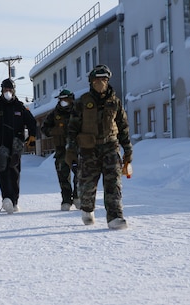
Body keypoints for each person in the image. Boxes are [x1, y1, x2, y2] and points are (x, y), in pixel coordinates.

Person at [65, 65, 133, 230]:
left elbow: (123, 128)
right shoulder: (82, 102)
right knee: (87, 186)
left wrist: (128, 150)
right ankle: (87, 209)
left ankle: (115, 217)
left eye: (103, 79)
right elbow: (72, 128)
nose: (100, 83)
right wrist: (71, 151)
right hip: (88, 150)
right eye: (97, 79)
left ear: (108, 81)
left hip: (111, 147)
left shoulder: (115, 102)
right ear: (91, 82)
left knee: (113, 184)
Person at [0, 78, 37, 214]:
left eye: (10, 90)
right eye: (5, 90)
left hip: (16, 146)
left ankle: (14, 201)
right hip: (0, 145)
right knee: (2, 171)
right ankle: (7, 199)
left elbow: (32, 123)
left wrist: (32, 136)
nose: (7, 92)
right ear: (2, 91)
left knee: (14, 173)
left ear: (13, 91)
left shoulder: (20, 107)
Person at [41, 89, 79, 211]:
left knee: (80, 173)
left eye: (65, 99)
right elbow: (44, 128)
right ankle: (66, 199)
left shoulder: (78, 112)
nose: (63, 102)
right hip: (61, 150)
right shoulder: (54, 114)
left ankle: (78, 197)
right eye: (61, 99)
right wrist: (55, 131)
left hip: (77, 149)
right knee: (63, 176)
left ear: (71, 99)